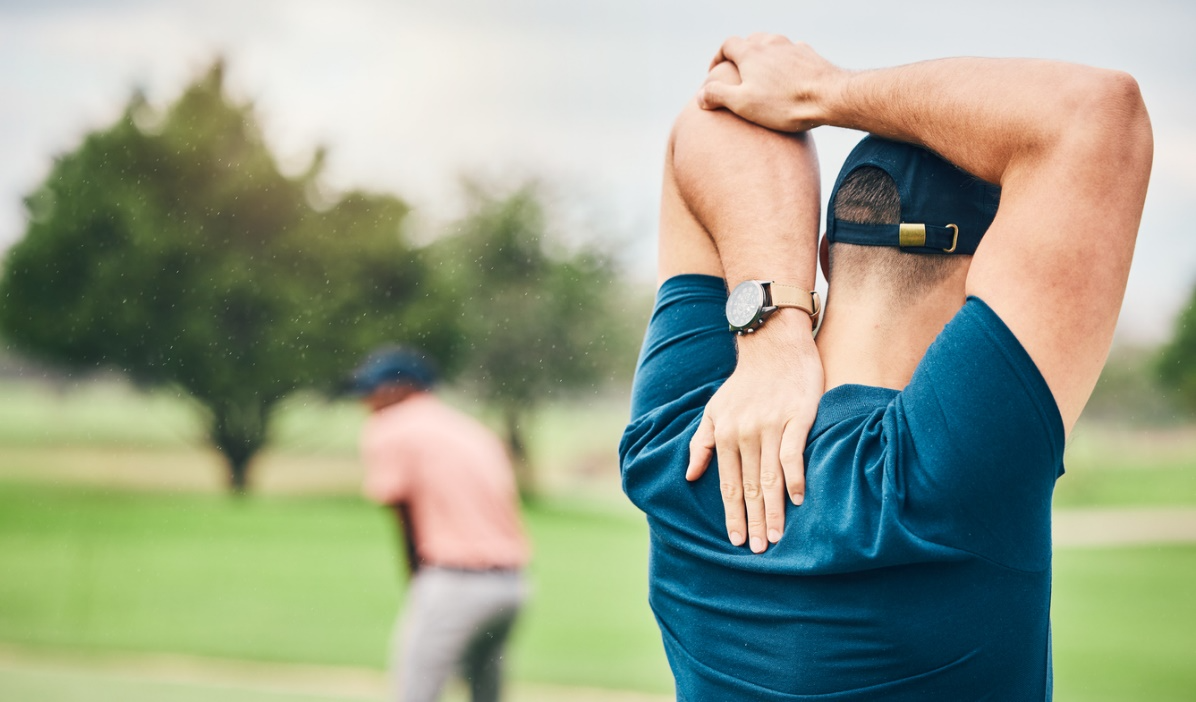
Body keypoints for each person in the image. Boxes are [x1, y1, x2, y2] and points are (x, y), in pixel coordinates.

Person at [619, 36, 1151, 700]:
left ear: (822, 254)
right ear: (984, 277)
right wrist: (824, 93)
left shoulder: (683, 444)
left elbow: (716, 110)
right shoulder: (955, 473)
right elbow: (1101, 110)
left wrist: (774, 333)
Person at [347, 347, 531, 702]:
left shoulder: (390, 425)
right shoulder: (471, 429)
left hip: (456, 579)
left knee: (416, 692)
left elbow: (403, 512)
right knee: (486, 694)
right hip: (512, 586)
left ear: (400, 389)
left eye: (372, 389)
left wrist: (419, 583)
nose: (366, 401)